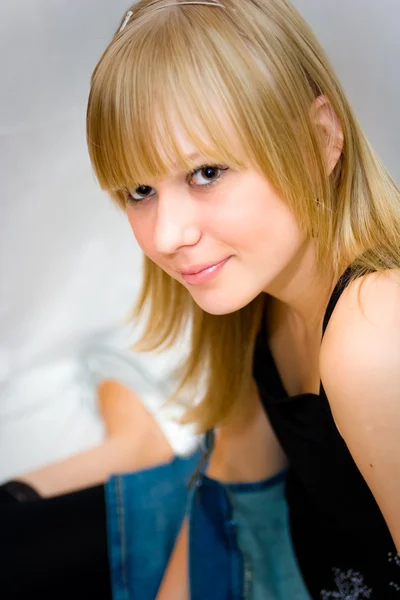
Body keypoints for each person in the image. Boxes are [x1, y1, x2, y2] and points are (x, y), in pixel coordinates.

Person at [85, 0, 400, 598]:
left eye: (206, 172)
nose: (166, 235)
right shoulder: (263, 296)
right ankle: (130, 439)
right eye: (140, 189)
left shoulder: (375, 330)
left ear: (320, 139)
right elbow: (232, 479)